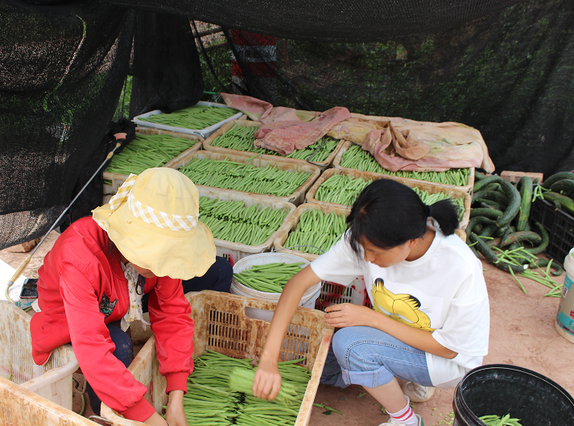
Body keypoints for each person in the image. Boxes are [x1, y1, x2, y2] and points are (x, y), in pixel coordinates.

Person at [252, 179, 489, 426]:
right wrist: (269, 358)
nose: (366, 258)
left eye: (376, 252)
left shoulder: (459, 266)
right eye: (363, 248)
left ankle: (405, 420)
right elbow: (297, 283)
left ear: (412, 241)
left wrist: (371, 318)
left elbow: (450, 349)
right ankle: (408, 374)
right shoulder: (365, 238)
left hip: (447, 360)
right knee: (324, 361)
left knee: (350, 345)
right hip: (403, 335)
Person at [30, 167, 232, 426]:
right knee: (119, 347)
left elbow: (173, 313)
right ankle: (101, 412)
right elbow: (91, 347)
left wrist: (176, 396)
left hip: (123, 296)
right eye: (158, 253)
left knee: (219, 271)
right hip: (69, 316)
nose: (165, 263)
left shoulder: (156, 259)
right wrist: (149, 418)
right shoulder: (79, 256)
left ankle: (130, 325)